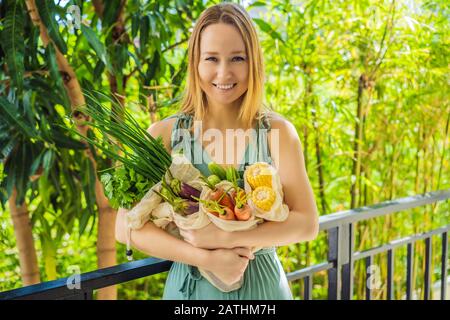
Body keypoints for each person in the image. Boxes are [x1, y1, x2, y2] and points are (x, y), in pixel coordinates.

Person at [115, 2, 319, 300]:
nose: (224, 72)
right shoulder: (164, 135)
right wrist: (206, 257)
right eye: (211, 58)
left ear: (254, 63)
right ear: (195, 63)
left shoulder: (278, 134)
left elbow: (306, 223)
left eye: (237, 58)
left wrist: (226, 236)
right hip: (190, 292)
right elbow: (125, 227)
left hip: (262, 291)